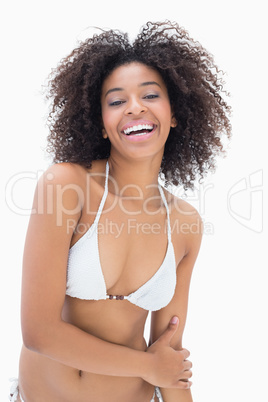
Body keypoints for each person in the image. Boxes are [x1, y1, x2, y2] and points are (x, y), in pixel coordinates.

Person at [10, 21, 231, 402]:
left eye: (150, 95)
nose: (135, 107)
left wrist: (161, 371)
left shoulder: (185, 225)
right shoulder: (67, 187)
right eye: (116, 101)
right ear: (101, 124)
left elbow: (169, 357)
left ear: (175, 113)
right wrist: (147, 367)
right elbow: (39, 332)